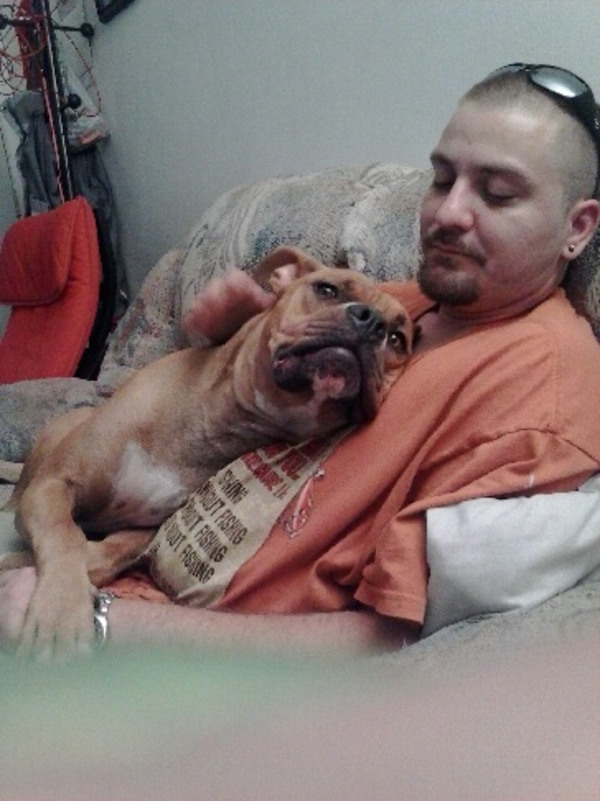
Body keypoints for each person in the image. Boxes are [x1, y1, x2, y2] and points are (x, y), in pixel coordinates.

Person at [2, 63, 600, 657]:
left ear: (577, 227)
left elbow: (391, 635)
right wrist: (230, 327)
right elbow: (268, 345)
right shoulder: (415, 303)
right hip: (115, 557)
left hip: (175, 642)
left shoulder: (540, 387)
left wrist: (109, 625)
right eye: (442, 180)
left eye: (498, 194)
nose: (447, 214)